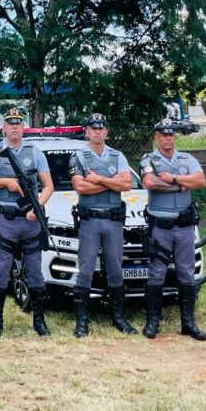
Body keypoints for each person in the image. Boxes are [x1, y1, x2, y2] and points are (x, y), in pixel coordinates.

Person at [0, 108, 53, 337]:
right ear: (4, 128)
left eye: (19, 124)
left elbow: (48, 186)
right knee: (0, 271)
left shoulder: (35, 152)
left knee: (35, 273)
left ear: (23, 128)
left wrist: (37, 207)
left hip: (30, 221)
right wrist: (5, 182)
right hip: (7, 220)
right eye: (11, 124)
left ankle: (39, 322)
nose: (15, 128)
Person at [70, 113, 137, 337]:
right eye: (93, 128)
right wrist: (112, 183)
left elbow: (127, 184)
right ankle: (82, 323)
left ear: (106, 132)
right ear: (87, 132)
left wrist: (98, 179)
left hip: (113, 221)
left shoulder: (118, 156)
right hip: (90, 222)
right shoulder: (78, 156)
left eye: (101, 128)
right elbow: (81, 188)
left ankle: (119, 319)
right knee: (86, 269)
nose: (97, 131)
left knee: (115, 269)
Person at [140, 118, 206, 341]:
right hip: (161, 227)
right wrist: (181, 185)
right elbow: (151, 183)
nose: (167, 138)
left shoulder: (186, 158)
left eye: (171, 135)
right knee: (157, 272)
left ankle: (188, 323)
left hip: (185, 227)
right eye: (163, 134)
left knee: (186, 273)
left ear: (174, 137)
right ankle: (153, 322)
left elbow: (200, 181)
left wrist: (175, 177)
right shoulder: (149, 159)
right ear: (156, 137)